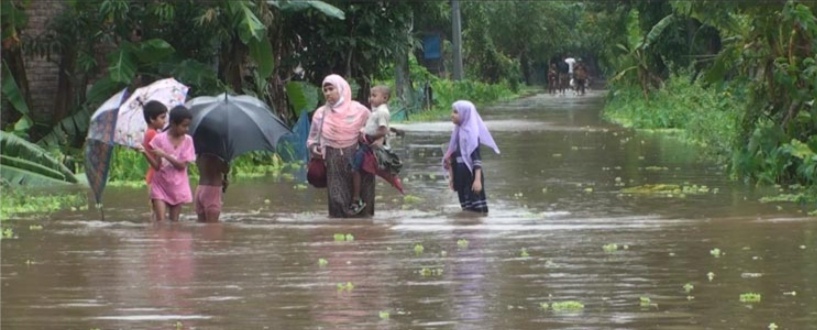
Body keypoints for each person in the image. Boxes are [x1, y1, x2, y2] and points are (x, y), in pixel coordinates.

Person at [307, 74, 372, 218]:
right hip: (333, 160)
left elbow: (374, 127)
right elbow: (311, 140)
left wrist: (364, 134)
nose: (328, 93)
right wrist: (314, 149)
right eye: (325, 90)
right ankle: (338, 231)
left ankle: (365, 236)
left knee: (364, 203)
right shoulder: (320, 114)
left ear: (341, 89)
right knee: (337, 201)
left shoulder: (360, 111)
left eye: (331, 89)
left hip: (358, 158)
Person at [443, 101, 500, 214]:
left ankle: (477, 229)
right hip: (460, 175)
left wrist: (477, 180)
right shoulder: (457, 133)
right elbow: (453, 158)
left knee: (477, 208)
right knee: (465, 207)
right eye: (452, 112)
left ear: (465, 114)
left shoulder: (472, 135)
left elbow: (476, 159)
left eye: (456, 112)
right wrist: (452, 178)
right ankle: (466, 229)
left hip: (471, 176)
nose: (452, 115)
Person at [349, 85, 391, 215]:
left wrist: (368, 136)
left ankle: (357, 199)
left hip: (368, 146)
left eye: (374, 96)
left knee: (355, 169)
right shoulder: (377, 111)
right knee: (358, 169)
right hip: (367, 144)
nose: (370, 99)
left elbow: (383, 130)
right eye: (370, 96)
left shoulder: (382, 112)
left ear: (384, 98)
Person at [149, 106, 196, 222]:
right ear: (173, 124)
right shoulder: (159, 139)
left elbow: (182, 166)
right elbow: (157, 166)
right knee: (160, 222)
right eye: (184, 126)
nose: (187, 129)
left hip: (177, 186)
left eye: (188, 126)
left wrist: (164, 155)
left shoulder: (188, 141)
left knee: (174, 222)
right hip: (160, 185)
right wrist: (145, 152)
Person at [137, 101, 168, 217]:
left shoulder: (152, 133)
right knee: (159, 216)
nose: (165, 121)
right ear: (152, 119)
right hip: (156, 177)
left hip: (154, 176)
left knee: (156, 214)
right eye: (162, 117)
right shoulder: (153, 134)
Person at [195, 153, 229, 222]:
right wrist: (226, 161)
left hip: (200, 189)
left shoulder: (200, 156)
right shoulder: (216, 157)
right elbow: (226, 169)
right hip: (212, 192)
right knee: (212, 228)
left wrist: (221, 181)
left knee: (201, 225)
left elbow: (209, 171)